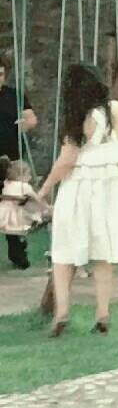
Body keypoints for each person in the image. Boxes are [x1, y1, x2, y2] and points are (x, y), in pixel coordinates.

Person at [38, 63, 118, 338]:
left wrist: (44, 189)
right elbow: (115, 140)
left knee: (64, 247)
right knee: (103, 250)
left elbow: (67, 160)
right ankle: (102, 314)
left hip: (81, 185)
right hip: (112, 185)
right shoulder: (114, 109)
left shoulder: (77, 117)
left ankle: (62, 312)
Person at [0, 51, 38, 269]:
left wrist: (27, 122)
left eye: (0, 74)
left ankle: (17, 253)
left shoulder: (14, 95)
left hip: (12, 160)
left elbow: (31, 117)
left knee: (14, 205)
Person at [0, 156, 49, 248]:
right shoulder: (24, 186)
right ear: (20, 176)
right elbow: (38, 199)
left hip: (2, 217)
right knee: (34, 206)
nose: (30, 177)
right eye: (28, 174)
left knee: (23, 204)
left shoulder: (6, 183)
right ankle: (38, 220)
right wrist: (47, 208)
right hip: (17, 219)